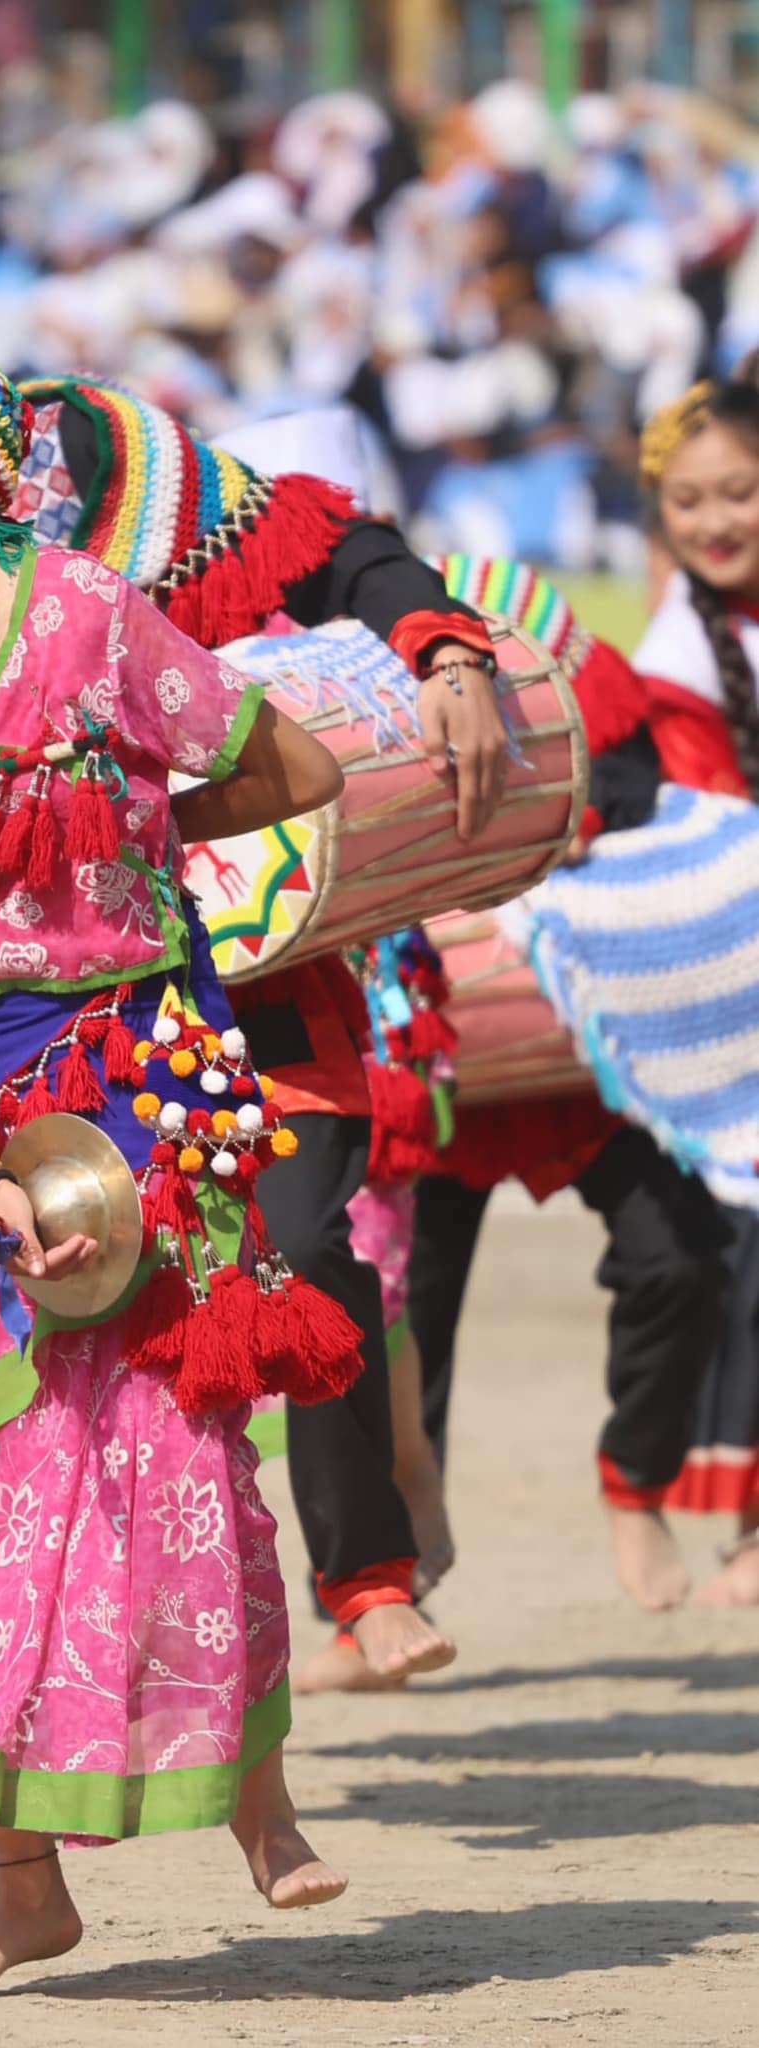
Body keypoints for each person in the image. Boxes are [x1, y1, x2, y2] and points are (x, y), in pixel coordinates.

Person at [0, 225, 512, 1693]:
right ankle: (63, 1705)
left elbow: (325, 543)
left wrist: (442, 651)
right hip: (20, 1009)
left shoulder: (103, 457)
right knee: (40, 1351)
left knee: (281, 1252)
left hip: (225, 944)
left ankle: (364, 1579)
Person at [0, 308, 357, 1997]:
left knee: (176, 1449)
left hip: (149, 1075)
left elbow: (289, 764)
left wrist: (132, 821)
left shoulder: (87, 620)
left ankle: (258, 1794)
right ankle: (24, 1883)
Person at [410, 541, 749, 1612]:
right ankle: (376, 1580)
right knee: (395, 1310)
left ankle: (634, 1484)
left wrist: (564, 828)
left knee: (679, 1255)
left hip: (561, 1029)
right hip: (422, 1046)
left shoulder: (528, 615)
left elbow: (633, 780)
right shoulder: (327, 654)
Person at [626, 378, 759, 1606]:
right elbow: (705, 829)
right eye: (689, 501)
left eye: (739, 492)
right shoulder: (677, 657)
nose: (716, 519)